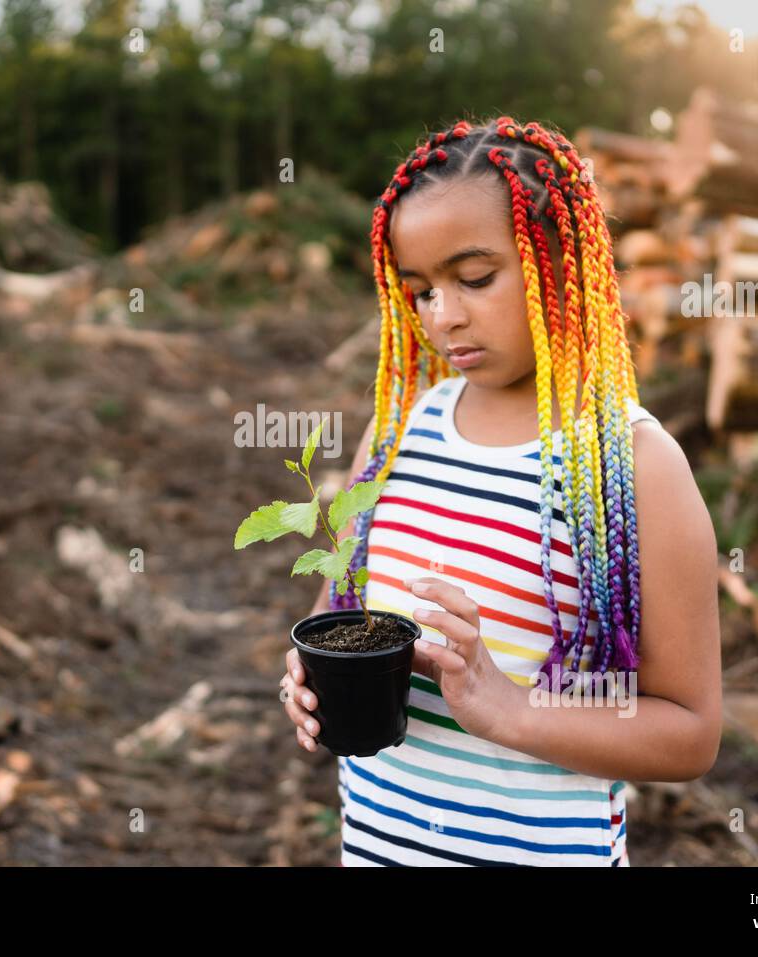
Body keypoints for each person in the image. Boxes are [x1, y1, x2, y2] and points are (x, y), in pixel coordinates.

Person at [280, 117, 722, 866]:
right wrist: (309, 676)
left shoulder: (632, 466)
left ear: (557, 258)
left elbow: (689, 732)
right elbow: (339, 612)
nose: (443, 316)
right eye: (419, 291)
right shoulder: (398, 434)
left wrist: (509, 707)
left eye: (475, 278)